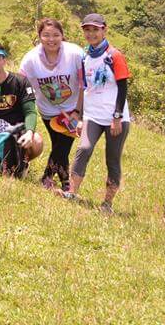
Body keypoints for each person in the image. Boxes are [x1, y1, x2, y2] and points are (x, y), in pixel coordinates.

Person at [63, 14, 132, 215]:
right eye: (87, 30)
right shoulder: (85, 57)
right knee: (83, 148)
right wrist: (79, 116)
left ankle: (107, 203)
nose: (91, 34)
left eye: (95, 29)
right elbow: (85, 88)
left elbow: (123, 88)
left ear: (104, 30)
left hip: (115, 118)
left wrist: (117, 116)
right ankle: (72, 193)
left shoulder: (114, 56)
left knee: (112, 158)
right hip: (92, 116)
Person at [19, 18, 85, 190]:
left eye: (56, 35)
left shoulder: (75, 54)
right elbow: (20, 83)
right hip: (47, 111)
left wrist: (78, 112)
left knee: (62, 146)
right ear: (39, 36)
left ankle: (47, 178)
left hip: (72, 110)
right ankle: (64, 182)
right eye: (46, 35)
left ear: (62, 35)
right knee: (59, 147)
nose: (51, 39)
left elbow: (83, 85)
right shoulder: (31, 59)